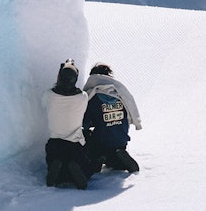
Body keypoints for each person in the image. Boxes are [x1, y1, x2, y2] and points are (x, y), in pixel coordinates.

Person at [42, 59, 93, 189]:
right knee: (84, 164)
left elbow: (44, 105)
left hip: (55, 144)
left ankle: (57, 168)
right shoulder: (83, 97)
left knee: (54, 159)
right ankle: (75, 168)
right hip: (75, 145)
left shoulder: (49, 95)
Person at [82, 63, 142, 173]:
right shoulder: (121, 96)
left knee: (87, 137)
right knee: (114, 160)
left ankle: (97, 158)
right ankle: (118, 156)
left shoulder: (93, 98)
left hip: (101, 142)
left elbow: (84, 123)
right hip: (121, 140)